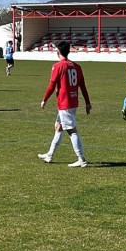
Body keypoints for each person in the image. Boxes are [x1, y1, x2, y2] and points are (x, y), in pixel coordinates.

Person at [38, 40, 93, 168]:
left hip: (65, 103)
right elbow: (82, 86)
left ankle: (81, 159)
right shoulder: (76, 66)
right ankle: (50, 155)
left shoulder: (58, 66)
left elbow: (52, 85)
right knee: (58, 127)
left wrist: (44, 100)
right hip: (73, 102)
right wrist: (87, 102)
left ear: (58, 51)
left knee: (72, 131)